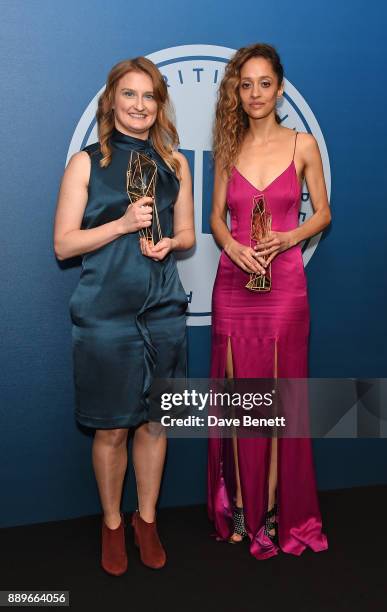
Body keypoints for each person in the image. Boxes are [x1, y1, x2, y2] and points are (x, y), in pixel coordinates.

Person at [54, 57, 194, 575]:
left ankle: (147, 519)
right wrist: (119, 224)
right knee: (111, 429)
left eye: (149, 96)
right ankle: (113, 523)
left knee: (156, 423)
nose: (139, 105)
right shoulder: (86, 163)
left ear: (160, 105)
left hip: (162, 310)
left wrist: (167, 244)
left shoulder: (174, 163)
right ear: (111, 101)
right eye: (129, 95)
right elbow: (64, 244)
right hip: (106, 316)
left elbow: (188, 236)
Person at [207, 43, 330, 560]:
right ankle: (238, 506)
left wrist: (287, 237)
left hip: (284, 287)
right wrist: (232, 245)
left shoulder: (302, 145)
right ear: (237, 93)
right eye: (245, 84)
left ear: (279, 88)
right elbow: (216, 218)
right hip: (233, 286)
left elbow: (323, 214)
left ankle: (275, 510)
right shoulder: (228, 149)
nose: (255, 93)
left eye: (264, 83)